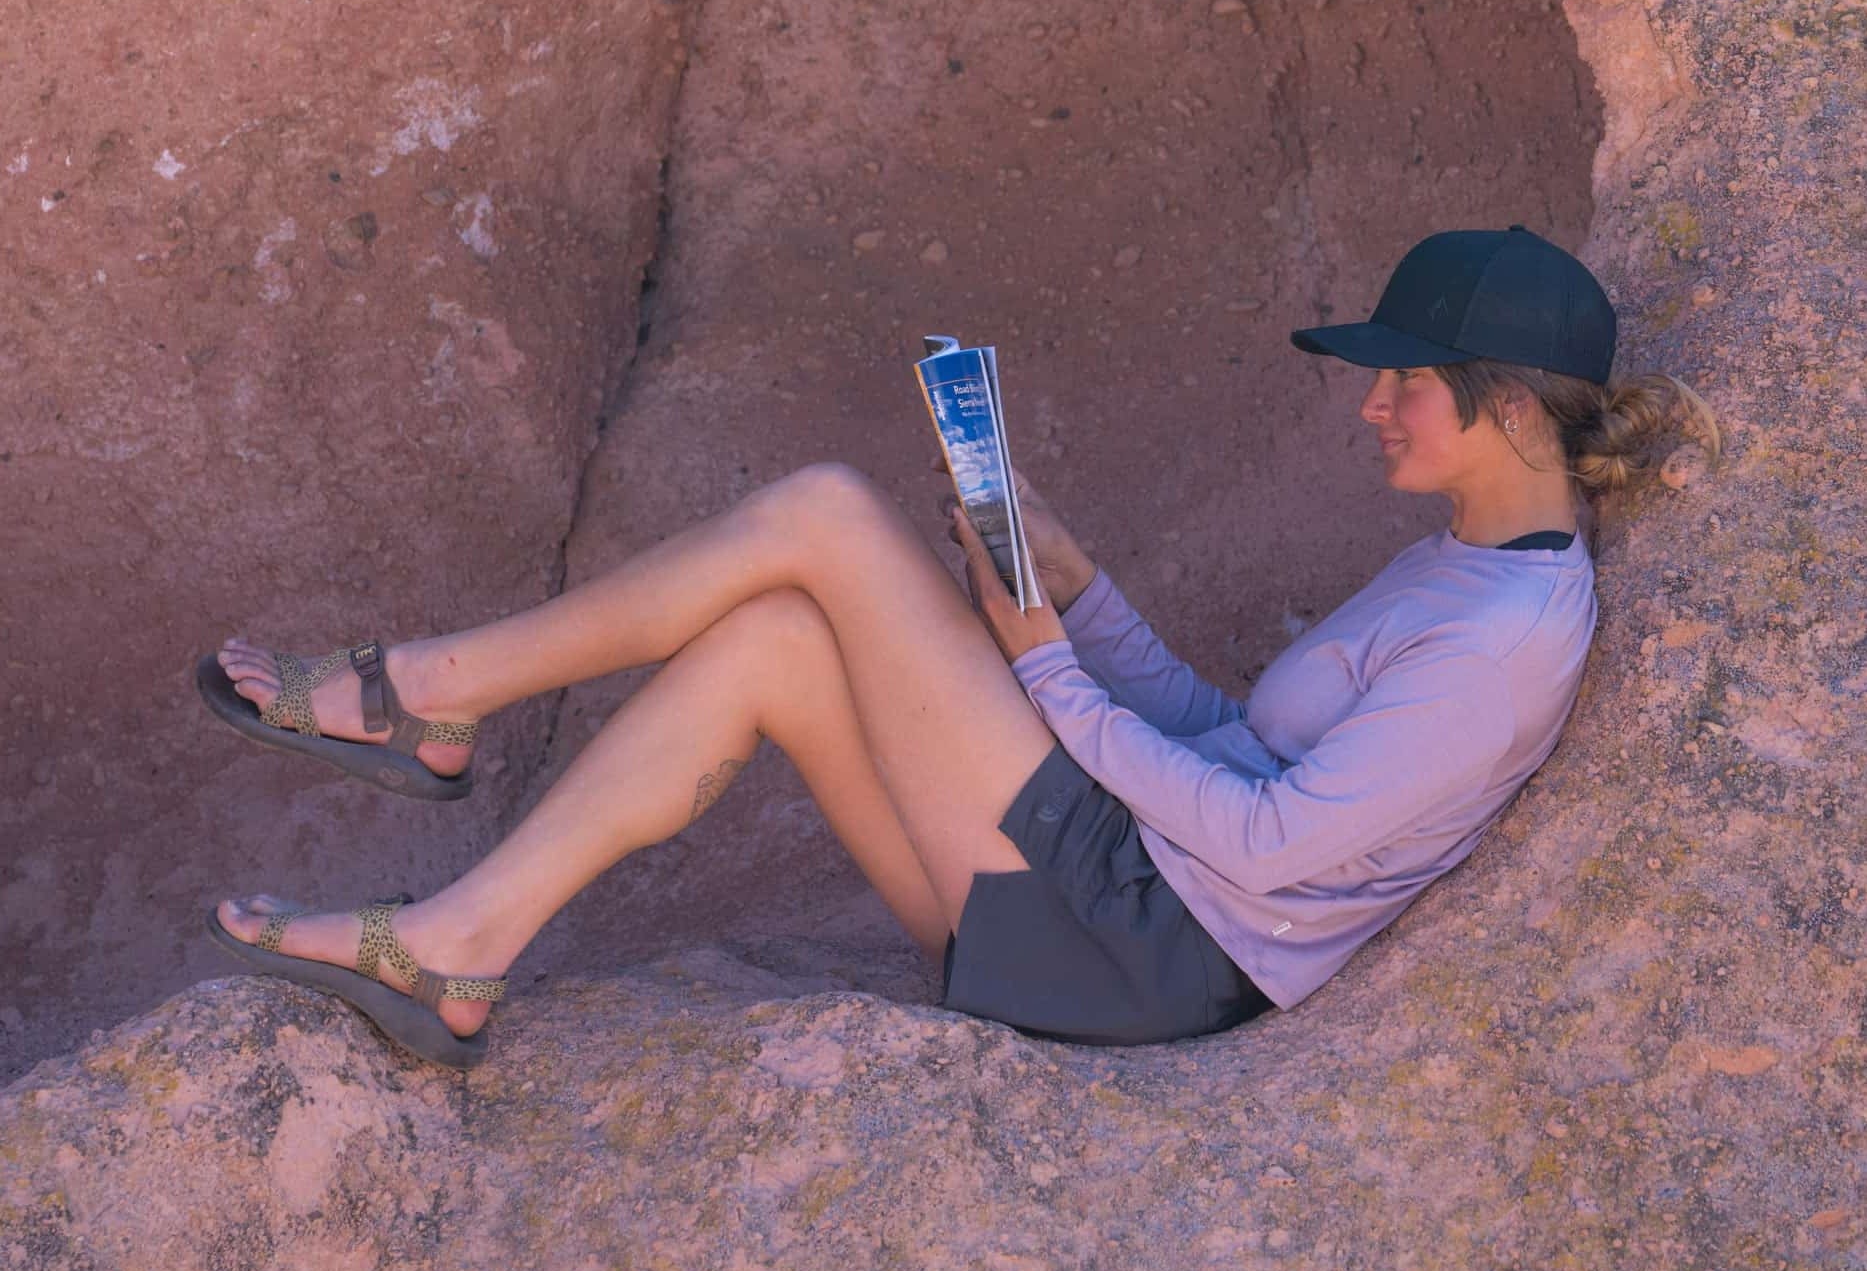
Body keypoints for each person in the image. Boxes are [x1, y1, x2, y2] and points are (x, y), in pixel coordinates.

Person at [199, 225, 1718, 1067]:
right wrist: (1075, 585)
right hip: (1112, 902)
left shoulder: (1516, 634)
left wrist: (1041, 661)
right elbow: (1224, 730)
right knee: (782, 642)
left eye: (1408, 383)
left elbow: (1268, 841)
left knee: (821, 513)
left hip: (1152, 946)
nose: (1374, 405)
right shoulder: (1462, 560)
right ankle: (460, 944)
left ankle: (419, 693)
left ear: (1515, 408)